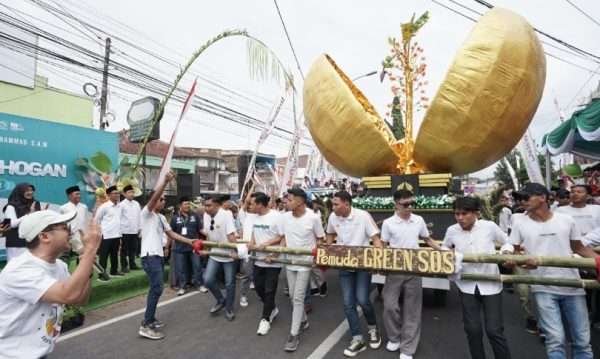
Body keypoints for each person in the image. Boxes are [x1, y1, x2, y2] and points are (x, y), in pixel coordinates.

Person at [509, 182, 597, 359]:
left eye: (527, 197)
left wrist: (598, 262)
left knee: (582, 340)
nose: (523, 201)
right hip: (543, 287)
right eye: (521, 198)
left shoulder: (566, 220)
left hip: (572, 285)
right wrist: (519, 262)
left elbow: (579, 248)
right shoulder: (519, 222)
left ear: (543, 198)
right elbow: (516, 251)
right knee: (555, 339)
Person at [0, 210, 101, 358]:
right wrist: (91, 250)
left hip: (39, 352)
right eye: (64, 227)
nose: (71, 231)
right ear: (44, 236)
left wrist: (87, 264)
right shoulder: (20, 269)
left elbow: (80, 299)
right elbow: (68, 295)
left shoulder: (60, 265)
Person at [442, 196, 513, 359]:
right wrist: (449, 256)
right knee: (472, 330)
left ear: (476, 213)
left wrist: (506, 253)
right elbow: (445, 246)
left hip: (491, 284)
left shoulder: (489, 227)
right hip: (465, 284)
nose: (460, 218)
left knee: (494, 330)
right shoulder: (452, 230)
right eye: (457, 214)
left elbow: (507, 242)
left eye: (464, 213)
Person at [138, 171, 200, 340]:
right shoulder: (147, 213)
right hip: (149, 256)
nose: (164, 201)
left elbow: (172, 235)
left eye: (164, 199)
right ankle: (146, 324)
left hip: (157, 256)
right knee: (157, 288)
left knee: (156, 288)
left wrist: (190, 241)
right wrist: (165, 182)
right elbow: (153, 199)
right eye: (161, 199)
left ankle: (150, 319)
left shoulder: (161, 218)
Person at [380, 190, 441, 359]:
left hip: (415, 268)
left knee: (412, 310)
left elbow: (427, 239)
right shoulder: (388, 223)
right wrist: (380, 263)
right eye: (405, 204)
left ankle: (408, 347)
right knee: (389, 306)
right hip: (395, 269)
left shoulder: (418, 220)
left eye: (412, 203)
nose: (410, 207)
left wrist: (444, 251)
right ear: (396, 204)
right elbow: (383, 245)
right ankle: (394, 336)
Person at [326, 190, 382, 357]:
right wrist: (329, 249)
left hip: (363, 265)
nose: (333, 207)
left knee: (363, 300)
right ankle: (357, 339)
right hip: (344, 266)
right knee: (347, 303)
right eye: (333, 204)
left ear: (347, 204)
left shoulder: (363, 216)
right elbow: (329, 234)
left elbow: (376, 238)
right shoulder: (332, 218)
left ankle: (373, 329)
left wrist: (379, 257)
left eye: (336, 204)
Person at [281, 188, 325, 351]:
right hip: (289, 262)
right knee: (293, 296)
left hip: (305, 264)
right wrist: (277, 253)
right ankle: (304, 320)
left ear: (300, 201)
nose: (287, 202)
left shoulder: (313, 218)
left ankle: (293, 335)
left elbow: (320, 239)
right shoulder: (284, 217)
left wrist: (316, 258)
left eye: (290, 199)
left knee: (298, 297)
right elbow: (283, 237)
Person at [248, 192, 284, 336]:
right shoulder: (254, 217)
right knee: (258, 288)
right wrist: (252, 243)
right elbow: (254, 233)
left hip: (273, 260)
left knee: (269, 290)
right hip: (259, 260)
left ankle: (265, 319)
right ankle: (272, 308)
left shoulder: (276, 216)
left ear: (260, 204)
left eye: (252, 203)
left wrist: (272, 252)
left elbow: (282, 236)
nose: (249, 206)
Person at [202, 195, 238, 321]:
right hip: (215, 253)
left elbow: (231, 234)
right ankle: (221, 300)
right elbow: (208, 234)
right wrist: (206, 249)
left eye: (209, 205)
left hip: (228, 254)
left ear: (217, 205)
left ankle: (229, 308)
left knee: (229, 284)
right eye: (205, 205)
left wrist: (235, 251)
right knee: (207, 280)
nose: (206, 208)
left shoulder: (226, 214)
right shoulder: (206, 215)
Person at [170, 196, 205, 295]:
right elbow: (170, 233)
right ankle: (182, 287)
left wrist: (210, 234)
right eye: (185, 204)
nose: (187, 206)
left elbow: (200, 230)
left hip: (194, 247)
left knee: (197, 266)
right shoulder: (175, 218)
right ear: (180, 205)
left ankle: (200, 285)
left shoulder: (195, 216)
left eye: (188, 204)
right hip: (179, 248)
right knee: (181, 269)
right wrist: (168, 247)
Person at [3, 183, 41, 261]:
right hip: (16, 243)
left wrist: (42, 215)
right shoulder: (10, 206)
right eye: (27, 190)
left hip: (32, 242)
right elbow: (11, 224)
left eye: (31, 190)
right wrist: (28, 215)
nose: (30, 192)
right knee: (15, 268)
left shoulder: (35, 204)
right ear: (19, 192)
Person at [94, 185, 123, 279]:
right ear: (109, 195)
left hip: (116, 235)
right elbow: (96, 220)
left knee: (114, 255)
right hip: (106, 235)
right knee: (104, 256)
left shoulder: (119, 206)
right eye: (114, 193)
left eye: (118, 193)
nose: (117, 195)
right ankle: (102, 275)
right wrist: (99, 232)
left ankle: (114, 271)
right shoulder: (104, 207)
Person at [59, 186, 89, 257]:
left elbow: (86, 221)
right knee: (66, 257)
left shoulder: (84, 207)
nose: (79, 196)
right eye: (77, 194)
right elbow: (61, 223)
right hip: (69, 237)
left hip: (82, 236)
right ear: (69, 196)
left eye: (79, 194)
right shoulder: (63, 208)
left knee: (82, 257)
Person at [119, 184, 142, 272]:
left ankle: (132, 264)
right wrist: (120, 232)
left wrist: (140, 228)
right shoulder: (121, 205)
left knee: (133, 249)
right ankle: (124, 266)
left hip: (134, 230)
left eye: (132, 192)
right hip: (125, 231)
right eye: (129, 192)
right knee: (124, 250)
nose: (131, 194)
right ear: (124, 194)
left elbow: (139, 217)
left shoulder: (136, 204)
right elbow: (119, 218)